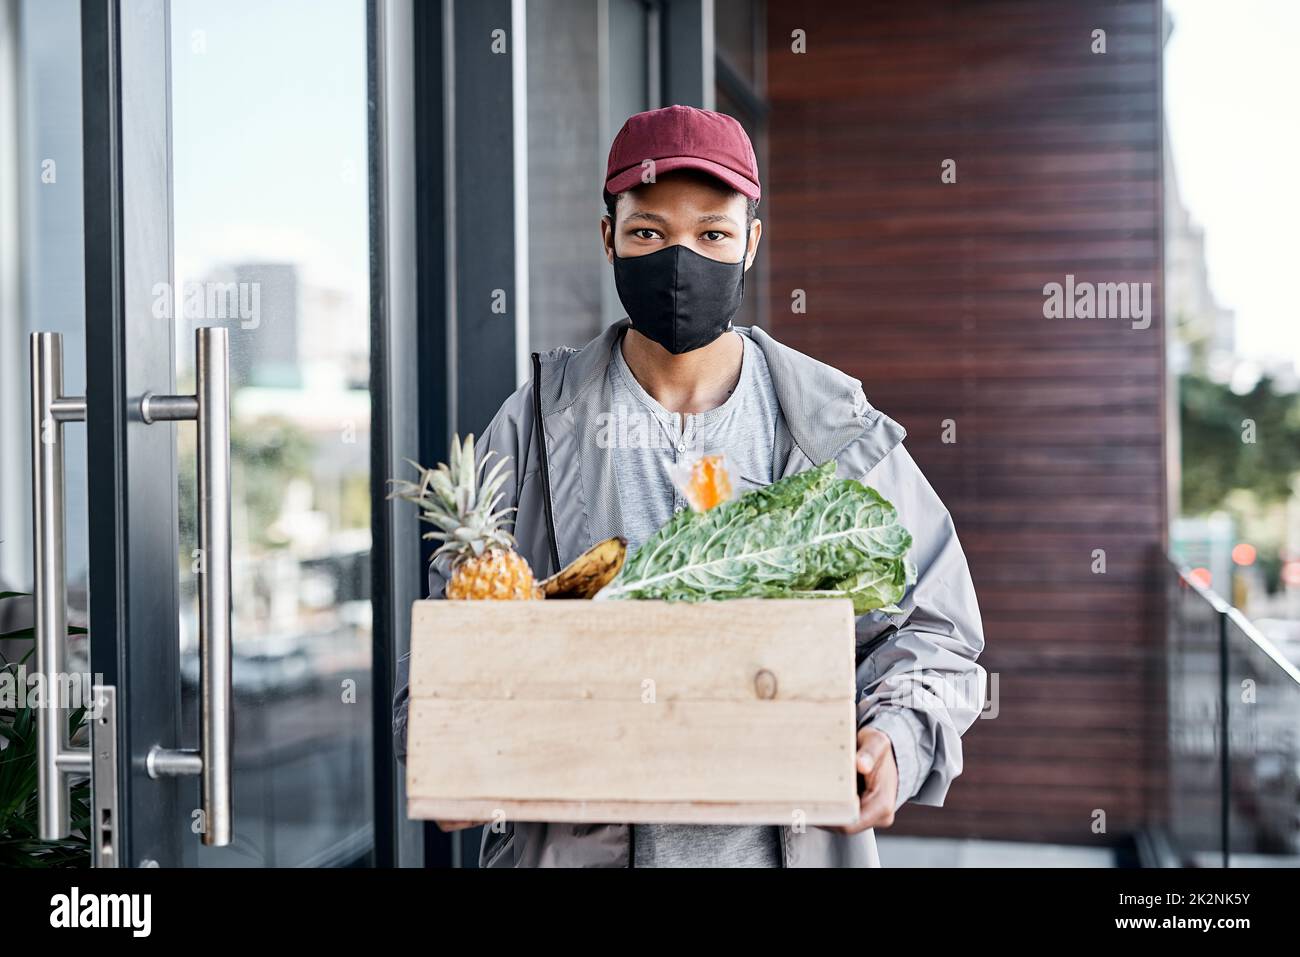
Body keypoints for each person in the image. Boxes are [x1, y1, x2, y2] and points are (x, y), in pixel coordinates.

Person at [393, 104, 986, 868]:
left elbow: (939, 628)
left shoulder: (829, 425)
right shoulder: (539, 422)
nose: (680, 258)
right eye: (648, 232)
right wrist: (448, 748)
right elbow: (455, 631)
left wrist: (897, 738)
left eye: (712, 233)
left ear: (751, 243)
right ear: (608, 236)